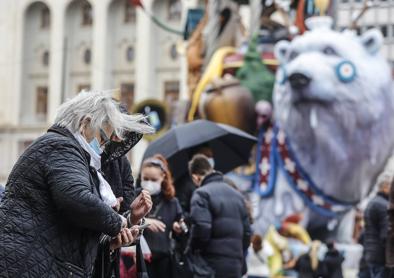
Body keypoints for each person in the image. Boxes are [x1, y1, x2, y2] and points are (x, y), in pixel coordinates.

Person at [0, 91, 153, 277]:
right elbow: (77, 198)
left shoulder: (70, 152)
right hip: (30, 264)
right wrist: (119, 222)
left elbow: (74, 230)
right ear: (85, 123)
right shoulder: (61, 146)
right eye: (103, 138)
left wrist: (120, 230)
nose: (103, 146)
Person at [93, 122, 145, 278]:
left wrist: (134, 218)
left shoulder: (121, 162)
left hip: (108, 258)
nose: (116, 138)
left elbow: (126, 213)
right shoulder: (79, 157)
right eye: (113, 132)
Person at [188, 154, 252, 278]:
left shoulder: (202, 194)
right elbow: (247, 233)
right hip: (235, 266)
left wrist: (192, 249)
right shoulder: (237, 196)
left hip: (210, 265)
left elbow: (202, 229)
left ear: (195, 177)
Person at [139, 154, 185, 278]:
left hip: (164, 261)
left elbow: (180, 226)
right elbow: (125, 220)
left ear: (163, 177)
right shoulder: (135, 197)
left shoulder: (172, 201)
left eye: (153, 180)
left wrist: (177, 228)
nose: (149, 183)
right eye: (145, 178)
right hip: (139, 259)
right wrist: (145, 221)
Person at [363, 174, 391, 278]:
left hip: (372, 254)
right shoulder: (383, 205)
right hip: (382, 256)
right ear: (385, 187)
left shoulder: (372, 203)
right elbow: (387, 234)